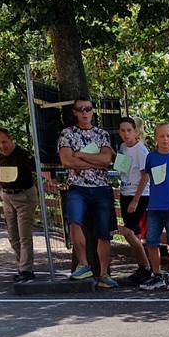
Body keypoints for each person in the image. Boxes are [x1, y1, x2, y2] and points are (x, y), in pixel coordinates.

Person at [57, 95, 117, 287]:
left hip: (101, 188)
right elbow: (67, 160)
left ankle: (104, 273)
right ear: (75, 112)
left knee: (103, 231)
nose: (85, 113)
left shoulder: (102, 134)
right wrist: (94, 160)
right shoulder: (67, 134)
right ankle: (83, 264)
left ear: (93, 111)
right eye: (81, 109)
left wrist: (81, 155)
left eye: (88, 109)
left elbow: (107, 160)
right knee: (75, 222)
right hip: (77, 188)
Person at [137, 122, 169, 290]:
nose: (165, 139)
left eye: (168, 135)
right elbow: (146, 177)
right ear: (155, 138)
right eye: (161, 136)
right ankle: (157, 274)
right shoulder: (151, 157)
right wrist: (136, 198)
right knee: (152, 240)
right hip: (154, 206)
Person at [0, 127, 39, 280]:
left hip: (24, 195)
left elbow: (39, 169)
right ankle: (21, 265)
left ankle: (26, 270)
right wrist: (2, 192)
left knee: (24, 234)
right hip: (8, 197)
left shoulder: (24, 155)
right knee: (13, 236)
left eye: (4, 142)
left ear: (11, 139)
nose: (2, 146)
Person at [113, 116, 153, 286]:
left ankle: (147, 267)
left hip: (140, 194)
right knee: (132, 232)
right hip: (125, 191)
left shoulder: (141, 150)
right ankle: (140, 267)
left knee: (127, 232)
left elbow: (146, 174)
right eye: (122, 131)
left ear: (136, 132)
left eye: (129, 130)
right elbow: (121, 168)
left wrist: (136, 200)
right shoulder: (122, 147)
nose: (126, 134)